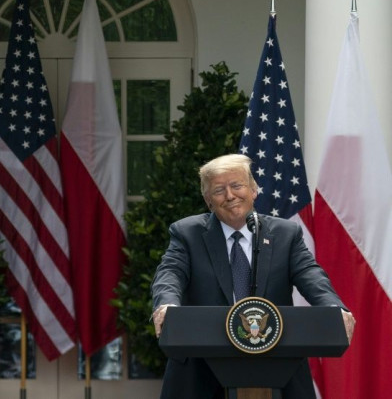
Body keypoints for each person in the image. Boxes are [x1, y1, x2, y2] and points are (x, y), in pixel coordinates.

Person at [151, 153, 355, 399]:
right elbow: (170, 272)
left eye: (237, 186)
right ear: (208, 200)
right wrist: (166, 305)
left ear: (254, 190)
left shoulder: (285, 233)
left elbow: (311, 275)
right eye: (219, 190)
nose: (230, 195)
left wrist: (333, 307)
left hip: (278, 363)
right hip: (200, 369)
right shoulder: (187, 233)